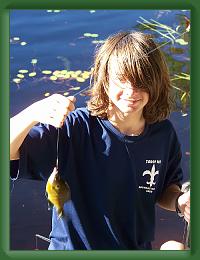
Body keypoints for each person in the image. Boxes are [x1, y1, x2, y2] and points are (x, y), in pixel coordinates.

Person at [10, 31, 190, 250]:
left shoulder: (164, 134)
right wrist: (32, 113)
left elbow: (165, 189)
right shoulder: (74, 127)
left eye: (141, 81)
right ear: (104, 80)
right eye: (122, 80)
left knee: (174, 248)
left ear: (156, 83)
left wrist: (179, 202)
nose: (131, 91)